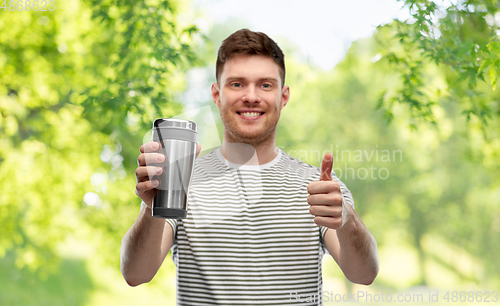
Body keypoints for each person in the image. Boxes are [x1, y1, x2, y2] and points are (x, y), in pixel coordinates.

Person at [121, 28, 379, 305]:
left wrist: (348, 221)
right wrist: (151, 207)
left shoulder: (320, 186)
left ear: (284, 96)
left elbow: (364, 274)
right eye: (237, 84)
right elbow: (136, 274)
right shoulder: (181, 179)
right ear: (217, 95)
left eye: (266, 85)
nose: (252, 96)